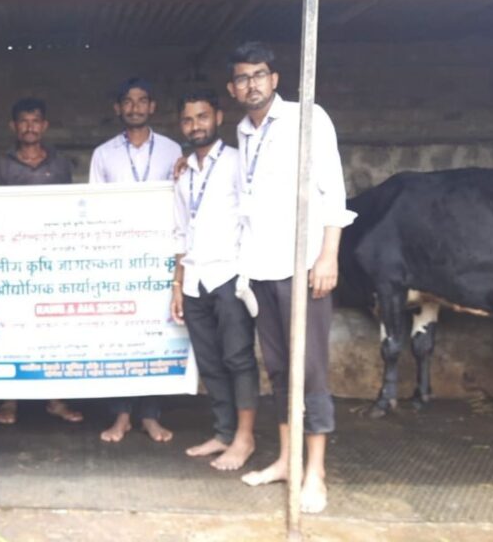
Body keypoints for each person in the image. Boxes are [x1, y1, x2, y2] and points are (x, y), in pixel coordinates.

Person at [226, 42, 355, 513]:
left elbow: (333, 191)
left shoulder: (308, 118)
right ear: (233, 88)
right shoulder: (242, 133)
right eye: (243, 77)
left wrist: (328, 256)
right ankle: (286, 460)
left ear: (275, 79)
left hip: (302, 266)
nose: (252, 84)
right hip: (261, 270)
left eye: (259, 74)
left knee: (311, 369)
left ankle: (315, 471)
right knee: (279, 369)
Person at [89, 78, 183, 443]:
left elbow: (182, 202)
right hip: (119, 257)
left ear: (152, 107)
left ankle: (150, 415)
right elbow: (94, 208)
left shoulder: (173, 150)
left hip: (159, 257)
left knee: (155, 334)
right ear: (118, 108)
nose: (135, 107)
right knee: (120, 335)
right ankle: (122, 415)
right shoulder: (104, 154)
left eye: (142, 101)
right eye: (127, 101)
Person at [171, 89, 259, 471]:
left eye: (202, 117)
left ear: (218, 117)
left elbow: (252, 218)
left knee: (238, 358)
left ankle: (245, 437)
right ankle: (224, 432)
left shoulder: (239, 162)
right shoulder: (183, 173)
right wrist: (177, 285)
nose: (196, 126)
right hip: (194, 281)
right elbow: (179, 232)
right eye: (188, 120)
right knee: (209, 362)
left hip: (229, 276)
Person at [0, 97, 83, 426]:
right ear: (13, 126)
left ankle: (55, 399)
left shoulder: (59, 163)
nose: (30, 127)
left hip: (51, 259)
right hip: (14, 260)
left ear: (44, 125)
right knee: (12, 325)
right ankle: (9, 400)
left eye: (35, 121)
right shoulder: (1, 164)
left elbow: (70, 207)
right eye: (23, 121)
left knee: (52, 328)